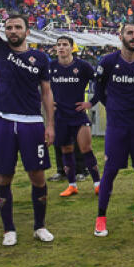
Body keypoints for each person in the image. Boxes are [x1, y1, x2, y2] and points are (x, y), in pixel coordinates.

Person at [0, 0, 56, 246]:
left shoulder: (40, 58)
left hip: (31, 123)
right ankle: (8, 229)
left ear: (27, 31)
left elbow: (46, 93)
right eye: (9, 27)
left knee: (37, 175)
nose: (12, 31)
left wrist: (50, 125)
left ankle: (39, 226)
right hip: (2, 121)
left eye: (17, 27)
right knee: (4, 175)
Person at [86, 22, 134, 236]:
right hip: (117, 125)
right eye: (130, 33)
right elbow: (99, 89)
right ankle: (101, 217)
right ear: (121, 36)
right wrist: (114, 107)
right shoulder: (108, 61)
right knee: (110, 170)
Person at [49, 36, 101, 198]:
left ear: (72, 48)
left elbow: (99, 84)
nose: (61, 47)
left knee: (86, 149)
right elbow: (41, 88)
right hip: (60, 117)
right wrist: (48, 102)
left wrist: (91, 103)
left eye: (65, 45)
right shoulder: (50, 67)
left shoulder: (83, 66)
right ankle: (72, 185)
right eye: (59, 45)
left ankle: (98, 184)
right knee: (66, 150)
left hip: (79, 116)